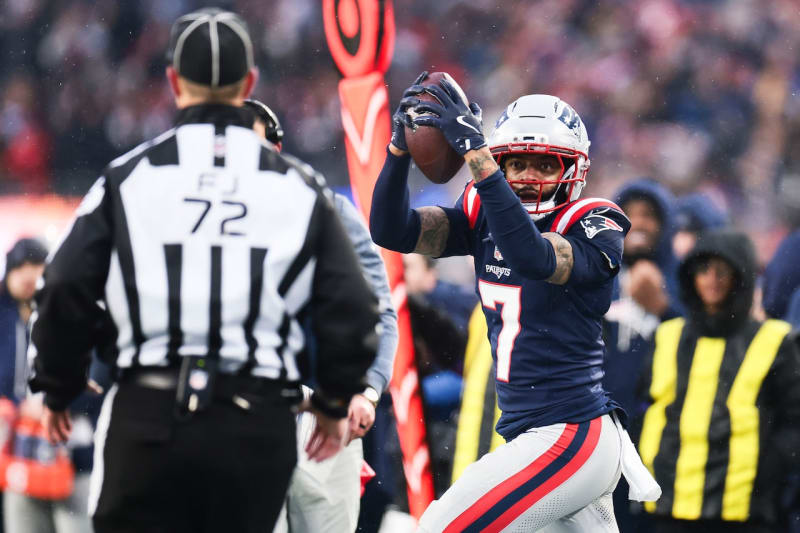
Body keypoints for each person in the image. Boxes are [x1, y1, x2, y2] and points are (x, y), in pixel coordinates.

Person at [27, 8, 379, 533]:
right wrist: (334, 399)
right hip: (255, 420)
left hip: (147, 413)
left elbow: (61, 288)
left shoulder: (129, 177)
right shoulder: (297, 184)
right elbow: (354, 306)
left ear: (173, 82)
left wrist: (57, 386)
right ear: (249, 83)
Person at [371, 72, 659, 531]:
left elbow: (534, 255)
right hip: (541, 436)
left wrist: (479, 158)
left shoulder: (594, 221)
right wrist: (398, 151)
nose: (528, 177)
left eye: (544, 165)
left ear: (572, 170)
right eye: (518, 163)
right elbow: (391, 230)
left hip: (570, 434)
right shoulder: (485, 211)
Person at [242, 98, 399, 533]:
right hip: (243, 411)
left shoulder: (327, 212)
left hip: (325, 410)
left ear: (276, 149)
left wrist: (365, 391)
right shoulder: (201, 226)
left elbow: (380, 311)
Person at [638, 230, 800, 533]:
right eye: (703, 269)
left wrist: (767, 469)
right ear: (690, 276)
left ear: (740, 277)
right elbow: (646, 410)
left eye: (723, 270)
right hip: (668, 506)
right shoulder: (668, 335)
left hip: (743, 510)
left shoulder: (774, 340)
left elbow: (793, 421)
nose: (712, 279)